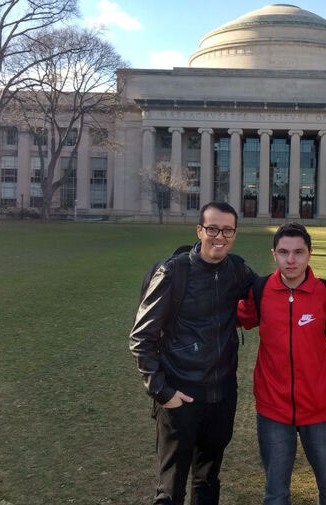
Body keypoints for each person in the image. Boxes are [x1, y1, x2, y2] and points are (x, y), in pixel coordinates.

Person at [130, 202, 257, 505]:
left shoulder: (237, 270)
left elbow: (272, 289)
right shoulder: (173, 272)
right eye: (212, 228)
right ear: (199, 230)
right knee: (170, 490)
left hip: (221, 398)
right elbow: (141, 338)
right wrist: (161, 391)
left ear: (234, 234)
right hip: (180, 397)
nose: (219, 236)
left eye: (227, 230)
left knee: (208, 481)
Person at [238, 223, 326, 505]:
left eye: (299, 252)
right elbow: (236, 317)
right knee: (276, 492)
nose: (291, 260)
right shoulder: (260, 290)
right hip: (273, 410)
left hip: (320, 410)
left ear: (310, 254)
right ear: (274, 254)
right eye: (284, 252)